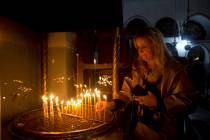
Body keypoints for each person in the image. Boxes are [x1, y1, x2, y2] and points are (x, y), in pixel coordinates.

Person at [96, 27, 199, 140]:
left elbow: (190, 100)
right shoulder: (138, 68)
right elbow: (126, 94)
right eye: (138, 47)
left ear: (156, 45)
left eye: (144, 47)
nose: (140, 51)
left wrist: (159, 103)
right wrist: (112, 104)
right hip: (139, 128)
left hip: (165, 131)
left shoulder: (174, 70)